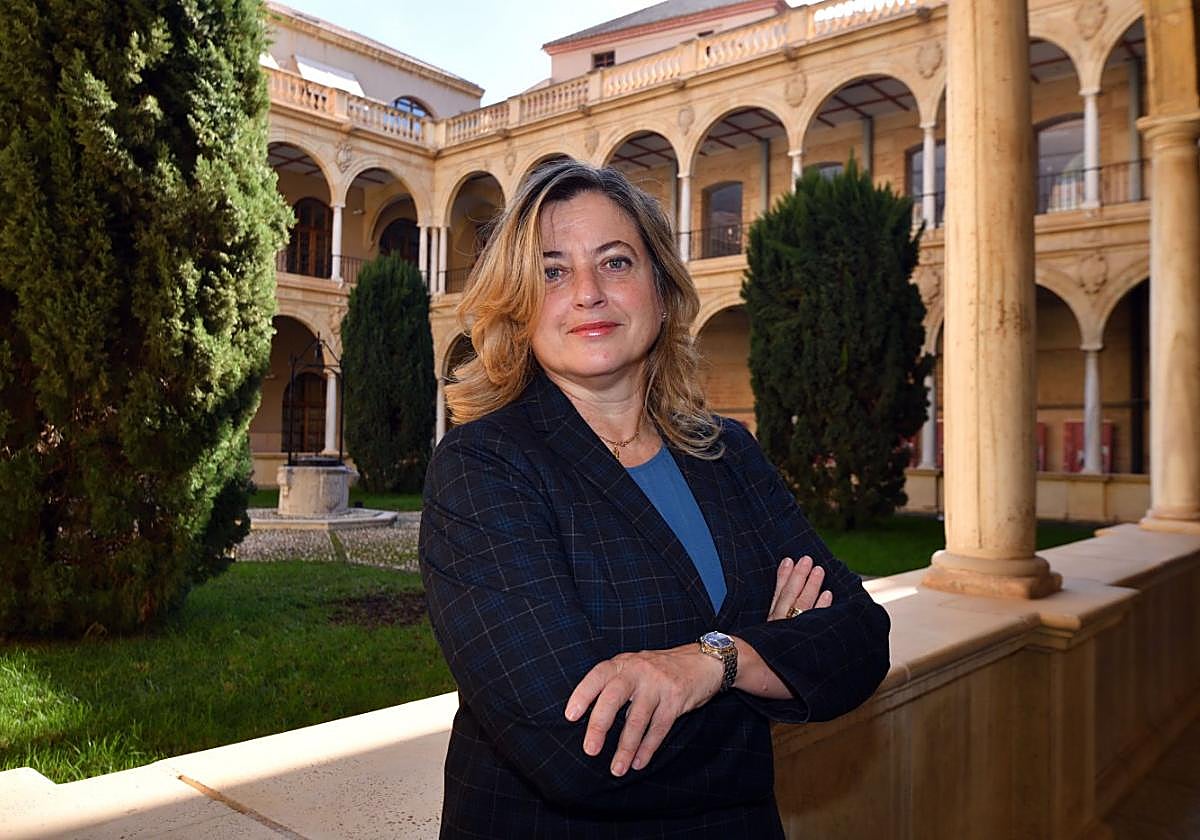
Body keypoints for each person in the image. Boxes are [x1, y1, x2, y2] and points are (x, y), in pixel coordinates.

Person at [419, 159, 891, 838]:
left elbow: (861, 637)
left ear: (662, 291)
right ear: (519, 309)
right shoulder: (486, 467)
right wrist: (771, 668)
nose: (587, 292)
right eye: (552, 271)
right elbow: (574, 748)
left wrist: (711, 664)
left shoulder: (726, 452)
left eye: (615, 262)